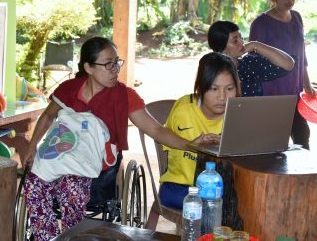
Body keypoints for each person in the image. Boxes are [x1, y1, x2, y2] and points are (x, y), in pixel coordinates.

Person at [21, 37, 219, 240]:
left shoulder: (124, 96)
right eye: (108, 64)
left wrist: (190, 144)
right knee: (33, 184)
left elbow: (157, 130)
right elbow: (47, 116)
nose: (115, 69)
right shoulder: (68, 89)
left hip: (99, 168)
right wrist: (31, 147)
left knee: (71, 188)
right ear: (88, 67)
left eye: (117, 62)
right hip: (60, 155)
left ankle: (72, 235)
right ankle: (47, 237)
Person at [158, 52, 240, 209]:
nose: (222, 97)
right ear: (200, 88)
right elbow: (162, 137)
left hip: (222, 190)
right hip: (181, 187)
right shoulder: (184, 110)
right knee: (214, 208)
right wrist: (192, 145)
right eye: (214, 89)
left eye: (229, 88)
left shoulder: (238, 114)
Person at [249, 0, 315, 149]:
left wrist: (307, 84)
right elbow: (253, 62)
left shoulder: (297, 18)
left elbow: (301, 54)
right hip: (273, 94)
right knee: (275, 144)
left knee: (302, 137)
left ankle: (303, 175)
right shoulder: (261, 23)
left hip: (295, 91)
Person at [208, 20, 294, 97]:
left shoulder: (249, 64)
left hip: (256, 114)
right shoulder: (210, 70)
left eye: (241, 38)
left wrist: (255, 45)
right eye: (235, 41)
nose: (242, 43)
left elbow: (288, 64)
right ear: (220, 47)